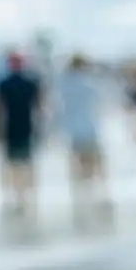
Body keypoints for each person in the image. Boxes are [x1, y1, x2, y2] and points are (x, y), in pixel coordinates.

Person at [55, 54, 111, 220]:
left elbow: (60, 108)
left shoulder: (64, 84)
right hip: (90, 128)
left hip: (73, 129)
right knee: (97, 164)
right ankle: (102, 194)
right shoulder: (89, 82)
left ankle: (81, 197)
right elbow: (100, 101)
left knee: (78, 164)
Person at [0, 50, 45, 215]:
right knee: (23, 165)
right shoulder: (30, 82)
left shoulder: (4, 83)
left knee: (17, 167)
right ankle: (25, 197)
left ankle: (20, 197)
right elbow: (40, 107)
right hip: (21, 128)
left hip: (14, 129)